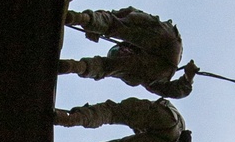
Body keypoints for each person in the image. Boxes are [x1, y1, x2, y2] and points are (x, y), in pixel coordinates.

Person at [60, 8, 198, 98]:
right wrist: (188, 78)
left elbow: (128, 14)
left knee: (119, 30)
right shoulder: (136, 72)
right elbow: (170, 91)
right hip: (169, 43)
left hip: (167, 44)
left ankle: (81, 22)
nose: (123, 52)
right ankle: (76, 64)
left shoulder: (134, 70)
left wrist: (188, 78)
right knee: (118, 31)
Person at [53, 96, 192, 142]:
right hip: (169, 126)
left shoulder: (173, 141)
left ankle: (69, 119)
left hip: (166, 115)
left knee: (112, 113)